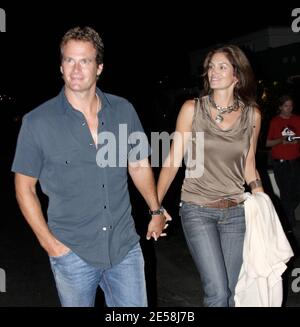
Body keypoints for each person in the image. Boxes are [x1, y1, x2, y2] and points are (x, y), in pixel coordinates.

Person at [12, 26, 170, 307]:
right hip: (72, 251)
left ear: (99, 68)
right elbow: (24, 188)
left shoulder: (123, 111)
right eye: (69, 60)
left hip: (124, 247)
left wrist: (155, 209)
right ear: (61, 66)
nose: (76, 69)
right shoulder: (37, 122)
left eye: (84, 60)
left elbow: (138, 165)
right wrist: (50, 244)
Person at [157, 45, 263, 307]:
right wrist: (154, 207)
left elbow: (249, 164)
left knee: (230, 290)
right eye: (211, 66)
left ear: (237, 75)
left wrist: (262, 201)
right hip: (198, 209)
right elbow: (173, 160)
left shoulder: (252, 115)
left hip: (236, 213)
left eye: (222, 66)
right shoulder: (192, 109)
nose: (213, 72)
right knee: (216, 292)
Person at [266, 95, 300, 232]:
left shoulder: (297, 119)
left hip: (295, 161)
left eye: (291, 105)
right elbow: (267, 143)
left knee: (296, 192)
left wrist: (297, 140)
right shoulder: (275, 122)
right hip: (281, 163)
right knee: (285, 194)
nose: (289, 108)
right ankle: (290, 225)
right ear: (280, 107)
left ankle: (284, 215)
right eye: (286, 106)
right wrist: (282, 140)